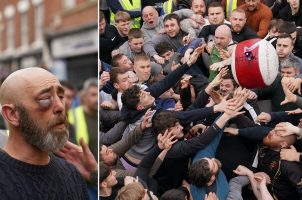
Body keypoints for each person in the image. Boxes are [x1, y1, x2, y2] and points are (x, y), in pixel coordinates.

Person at [0, 67, 88, 199]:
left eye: (61, 96)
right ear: (12, 114)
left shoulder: (71, 173)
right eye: (45, 99)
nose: (60, 107)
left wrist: (95, 174)